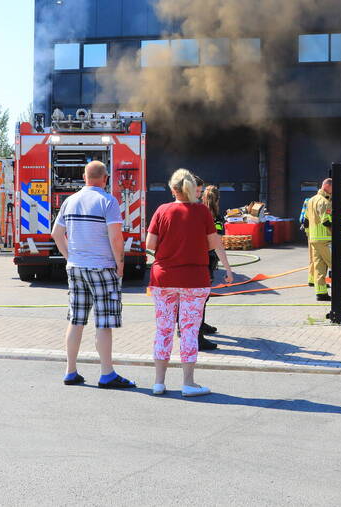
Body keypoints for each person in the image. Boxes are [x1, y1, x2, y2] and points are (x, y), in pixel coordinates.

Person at [147, 169, 234, 396]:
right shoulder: (202, 212)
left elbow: (150, 244)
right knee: (189, 330)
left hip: (163, 278)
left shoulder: (161, 210)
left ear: (172, 189)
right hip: (195, 280)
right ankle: (188, 383)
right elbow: (214, 242)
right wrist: (228, 268)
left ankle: (158, 382)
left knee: (163, 330)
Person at [50, 161, 135, 389]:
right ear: (105, 178)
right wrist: (120, 264)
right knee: (103, 323)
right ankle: (107, 374)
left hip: (76, 268)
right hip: (102, 267)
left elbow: (56, 234)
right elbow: (116, 238)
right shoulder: (108, 201)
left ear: (84, 176)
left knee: (75, 320)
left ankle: (70, 371)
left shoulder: (69, 201)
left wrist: (70, 257)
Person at [198, 184, 225, 350]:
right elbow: (218, 242)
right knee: (202, 296)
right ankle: (197, 331)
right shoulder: (216, 217)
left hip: (197, 258)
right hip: (207, 260)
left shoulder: (198, 212)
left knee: (199, 297)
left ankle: (198, 325)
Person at [305, 178, 333, 301]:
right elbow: (326, 221)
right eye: (333, 187)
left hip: (313, 239)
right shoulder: (324, 202)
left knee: (319, 266)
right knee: (335, 265)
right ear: (327, 186)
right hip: (324, 239)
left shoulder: (311, 200)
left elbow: (305, 220)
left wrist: (309, 234)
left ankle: (321, 293)